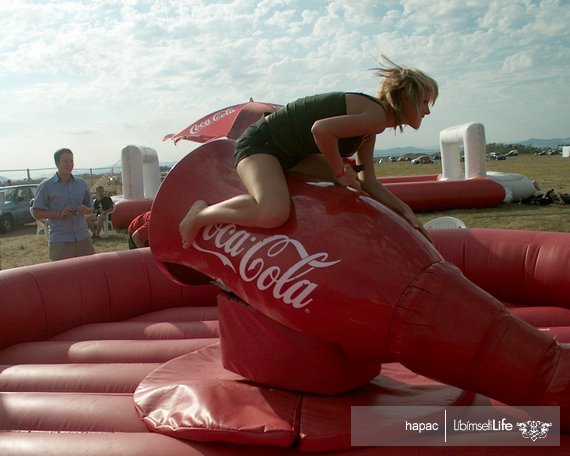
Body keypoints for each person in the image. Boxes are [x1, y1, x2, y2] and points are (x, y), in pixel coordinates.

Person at [179, 56, 437, 248]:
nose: (427, 111)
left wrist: (404, 210)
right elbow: (321, 130)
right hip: (260, 145)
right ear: (406, 98)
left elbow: (367, 180)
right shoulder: (375, 116)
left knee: (351, 186)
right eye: (424, 102)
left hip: (291, 155)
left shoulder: (372, 127)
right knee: (273, 213)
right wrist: (338, 171)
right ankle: (201, 214)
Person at [32, 148, 95, 261]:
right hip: (61, 241)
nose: (69, 164)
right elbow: (37, 213)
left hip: (83, 238)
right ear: (57, 163)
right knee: (63, 277)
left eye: (71, 161)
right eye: (65, 161)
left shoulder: (81, 184)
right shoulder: (46, 186)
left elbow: (91, 208)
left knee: (89, 275)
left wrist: (86, 209)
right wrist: (59, 213)